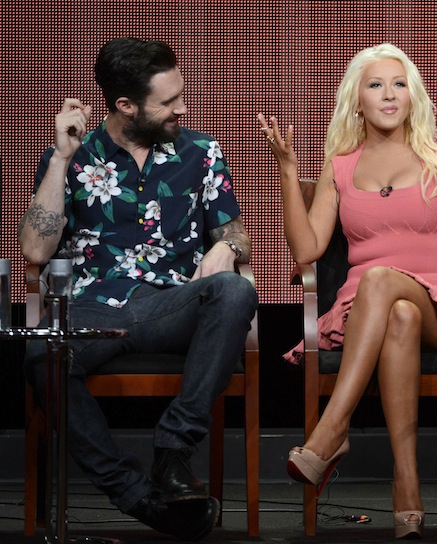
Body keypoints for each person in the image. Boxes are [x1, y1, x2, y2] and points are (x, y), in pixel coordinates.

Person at [258, 43, 437, 539]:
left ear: (413, 96)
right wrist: (289, 173)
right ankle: (408, 488)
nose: (389, 94)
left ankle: (333, 430)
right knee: (397, 313)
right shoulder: (339, 166)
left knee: (382, 279)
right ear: (357, 100)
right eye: (376, 85)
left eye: (399, 84)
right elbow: (307, 249)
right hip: (366, 313)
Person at [19, 38, 258, 541]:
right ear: (125, 105)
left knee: (234, 293)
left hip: (170, 304)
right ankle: (139, 498)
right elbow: (36, 253)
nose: (183, 109)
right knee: (42, 354)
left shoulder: (200, 152)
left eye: (182, 96)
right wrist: (61, 160)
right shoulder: (74, 156)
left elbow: (236, 233)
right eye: (168, 102)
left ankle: (173, 452)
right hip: (95, 308)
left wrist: (229, 250)